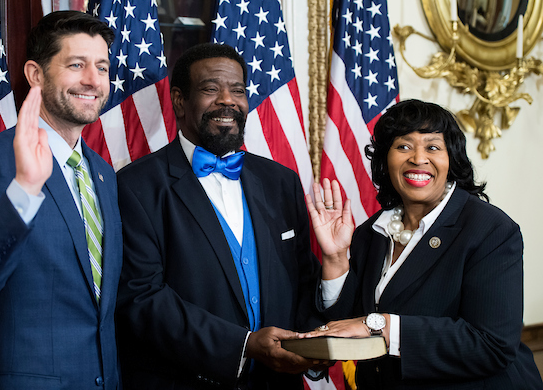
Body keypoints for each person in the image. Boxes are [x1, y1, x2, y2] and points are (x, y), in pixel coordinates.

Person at [116, 43, 346, 389]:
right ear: (179, 100)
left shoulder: (281, 181)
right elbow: (142, 298)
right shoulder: (136, 186)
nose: (228, 100)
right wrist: (244, 346)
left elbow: (301, 283)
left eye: (237, 90)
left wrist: (334, 264)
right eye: (211, 89)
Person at [304, 99, 543, 389]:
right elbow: (346, 327)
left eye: (432, 147)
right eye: (403, 146)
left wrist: (380, 326)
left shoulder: (490, 230)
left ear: (451, 159)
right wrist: (336, 257)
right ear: (384, 160)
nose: (418, 158)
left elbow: (491, 344)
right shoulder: (372, 232)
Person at [0, 11, 122, 389]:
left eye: (102, 67)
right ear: (36, 75)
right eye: (77, 64)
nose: (93, 79)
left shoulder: (104, 175)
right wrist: (24, 189)